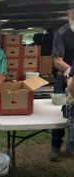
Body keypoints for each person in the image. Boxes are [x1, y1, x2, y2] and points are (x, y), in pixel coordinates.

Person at [50, 4, 74, 161]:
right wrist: (71, 72)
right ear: (69, 13)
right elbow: (57, 61)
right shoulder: (61, 33)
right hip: (63, 78)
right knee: (60, 113)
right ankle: (55, 146)